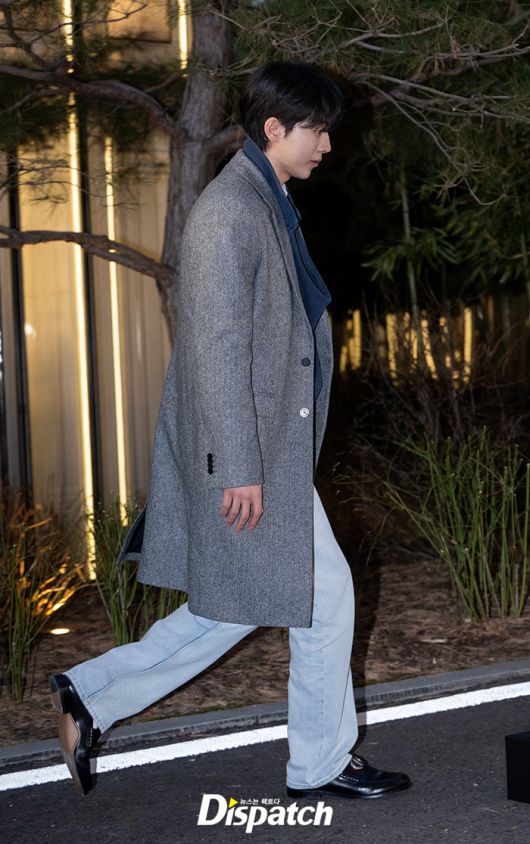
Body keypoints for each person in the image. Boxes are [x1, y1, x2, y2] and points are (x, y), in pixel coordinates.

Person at [49, 60, 412, 801]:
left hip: (270, 446)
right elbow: (214, 349)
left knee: (278, 600)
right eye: (317, 131)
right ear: (274, 128)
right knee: (292, 598)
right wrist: (238, 467)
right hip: (254, 456)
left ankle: (94, 696)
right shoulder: (229, 211)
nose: (327, 146)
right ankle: (311, 762)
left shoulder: (265, 198)